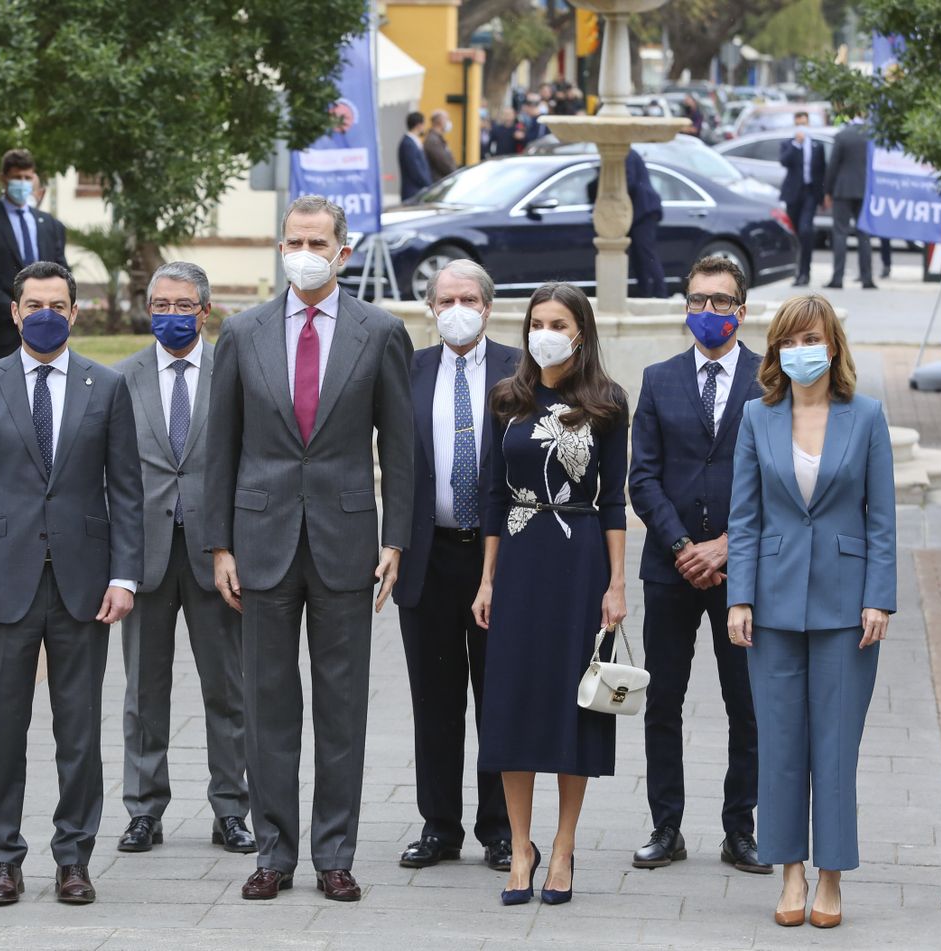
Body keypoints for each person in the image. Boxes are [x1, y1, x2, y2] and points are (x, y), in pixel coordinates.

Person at [205, 195, 414, 903]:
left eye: (317, 241)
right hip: (260, 540)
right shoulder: (242, 332)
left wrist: (395, 539)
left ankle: (334, 853)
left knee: (341, 703)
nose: (304, 251)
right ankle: (273, 851)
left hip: (346, 540)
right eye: (293, 239)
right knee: (266, 702)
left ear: (342, 252)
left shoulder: (379, 331)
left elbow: (401, 446)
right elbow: (219, 448)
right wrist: (218, 545)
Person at [0, 260, 143, 908]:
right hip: (0, 585)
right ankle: (3, 858)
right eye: (33, 303)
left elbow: (127, 490)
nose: (45, 313)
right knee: (3, 729)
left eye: (57, 303)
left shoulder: (106, 386)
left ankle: (73, 858)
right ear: (14, 311)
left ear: (75, 311)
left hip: (84, 585)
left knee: (79, 730)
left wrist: (124, 576)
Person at [727, 293, 895, 930]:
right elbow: (744, 518)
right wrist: (738, 595)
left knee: (835, 744)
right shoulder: (756, 417)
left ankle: (831, 878)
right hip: (769, 602)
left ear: (834, 346)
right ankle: (789, 872)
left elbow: (882, 519)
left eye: (812, 339)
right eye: (790, 341)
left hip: (848, 605)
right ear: (776, 351)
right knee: (779, 744)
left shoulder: (869, 416)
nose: (802, 351)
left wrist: (879, 596)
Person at [472, 282, 630, 907]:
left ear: (580, 332)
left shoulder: (607, 402)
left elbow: (615, 499)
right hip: (518, 561)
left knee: (573, 707)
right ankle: (521, 846)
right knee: (512, 704)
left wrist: (617, 585)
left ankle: (563, 847)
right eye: (536, 321)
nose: (545, 331)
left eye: (558, 321)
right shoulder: (507, 398)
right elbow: (490, 495)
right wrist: (486, 579)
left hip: (581, 559)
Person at [628, 257, 767, 876]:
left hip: (745, 570)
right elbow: (642, 477)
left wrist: (729, 546)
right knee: (664, 701)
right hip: (671, 568)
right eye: (698, 300)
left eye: (721, 301)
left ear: (742, 309)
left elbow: (780, 481)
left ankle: (741, 830)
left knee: (748, 702)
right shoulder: (658, 380)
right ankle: (666, 827)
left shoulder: (772, 379)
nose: (709, 312)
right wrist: (684, 546)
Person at [110, 263, 253, 856]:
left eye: (183, 304)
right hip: (143, 556)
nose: (171, 314)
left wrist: (239, 547)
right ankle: (144, 810)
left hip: (216, 554)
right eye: (160, 304)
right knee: (144, 691)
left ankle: (231, 811)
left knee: (228, 689)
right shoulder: (121, 379)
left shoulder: (236, 373)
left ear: (205, 311)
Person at [392, 260, 518, 874]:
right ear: (431, 308)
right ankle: (439, 825)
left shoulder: (521, 369)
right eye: (446, 299)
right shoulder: (408, 370)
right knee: (434, 701)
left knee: (498, 696)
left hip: (499, 559)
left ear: (488, 306)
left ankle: (499, 828)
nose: (457, 308)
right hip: (429, 556)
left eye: (469, 297)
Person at [0, 149, 69, 366]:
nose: (22, 183)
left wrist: (52, 309)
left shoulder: (51, 225)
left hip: (47, 327)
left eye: (27, 177)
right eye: (16, 178)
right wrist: (15, 312)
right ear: (4, 179)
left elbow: (62, 273)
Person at [824, 117, 876, 290]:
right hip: (865, 191)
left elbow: (833, 165)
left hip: (843, 190)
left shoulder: (842, 135)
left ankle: (838, 278)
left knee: (840, 234)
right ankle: (867, 278)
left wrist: (828, 191)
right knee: (864, 235)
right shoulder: (871, 135)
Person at [779, 112, 826, 286]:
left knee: (806, 230)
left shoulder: (816, 146)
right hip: (793, 194)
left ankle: (805, 272)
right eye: (798, 123)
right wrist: (796, 144)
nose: (801, 127)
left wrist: (824, 195)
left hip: (810, 193)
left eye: (804, 123)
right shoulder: (788, 144)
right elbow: (784, 161)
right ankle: (796, 270)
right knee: (795, 233)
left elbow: (822, 171)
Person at [626, 149, 666, 298]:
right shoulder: (629, 153)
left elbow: (629, 181)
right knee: (638, 255)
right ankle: (646, 292)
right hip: (640, 211)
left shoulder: (626, 153)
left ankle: (660, 293)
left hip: (644, 210)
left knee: (646, 253)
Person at [399, 111, 433, 201]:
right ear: (418, 125)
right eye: (423, 124)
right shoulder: (408, 143)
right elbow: (415, 169)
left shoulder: (413, 141)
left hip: (417, 191)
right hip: (413, 192)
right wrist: (428, 184)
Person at [424, 109, 458, 182]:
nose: (449, 122)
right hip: (438, 183)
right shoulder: (433, 140)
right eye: (447, 119)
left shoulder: (437, 139)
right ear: (440, 121)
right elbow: (444, 164)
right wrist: (455, 174)